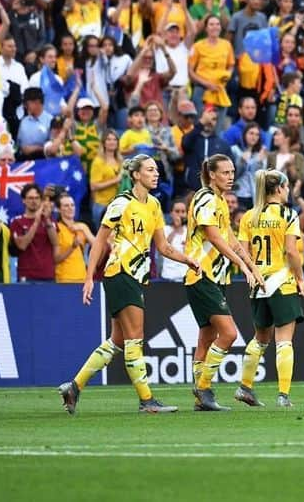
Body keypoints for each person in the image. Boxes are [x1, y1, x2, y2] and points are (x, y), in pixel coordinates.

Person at [59, 155, 200, 415]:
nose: (155, 174)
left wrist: (187, 260)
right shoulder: (121, 203)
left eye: (156, 170)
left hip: (134, 275)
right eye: (149, 170)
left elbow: (164, 246)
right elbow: (100, 241)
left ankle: (74, 387)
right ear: (135, 175)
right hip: (120, 272)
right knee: (135, 337)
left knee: (118, 340)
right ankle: (146, 400)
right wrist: (90, 277)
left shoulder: (156, 205)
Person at [185, 154, 264, 412]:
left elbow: (230, 240)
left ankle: (201, 400)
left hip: (216, 277)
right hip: (201, 274)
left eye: (232, 172)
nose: (230, 177)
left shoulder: (219, 201)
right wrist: (243, 266)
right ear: (211, 174)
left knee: (206, 339)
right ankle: (204, 388)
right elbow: (215, 238)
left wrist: (253, 267)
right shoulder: (205, 198)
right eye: (225, 172)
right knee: (229, 334)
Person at [235, 169, 304, 408]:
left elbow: (243, 252)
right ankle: (283, 395)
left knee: (260, 338)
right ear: (279, 188)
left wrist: (252, 274)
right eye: (286, 188)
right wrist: (300, 278)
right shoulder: (288, 214)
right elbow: (291, 252)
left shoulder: (249, 216)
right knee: (284, 340)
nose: (287, 192)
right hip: (281, 282)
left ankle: (245, 387)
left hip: (258, 284)